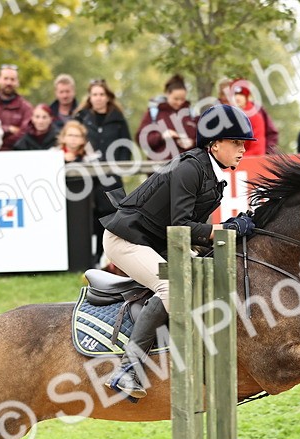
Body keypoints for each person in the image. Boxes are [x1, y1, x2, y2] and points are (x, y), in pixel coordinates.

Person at [99, 104, 256, 398]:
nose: (242, 150)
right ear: (215, 143)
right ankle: (126, 370)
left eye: (243, 144)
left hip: (156, 241)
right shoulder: (189, 168)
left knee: (206, 274)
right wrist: (227, 229)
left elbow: (194, 232)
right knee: (171, 288)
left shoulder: (213, 176)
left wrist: (229, 228)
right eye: (236, 143)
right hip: (126, 239)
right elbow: (180, 227)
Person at [76, 79, 134, 266]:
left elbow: (126, 146)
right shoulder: (81, 118)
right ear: (90, 97)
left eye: (102, 94)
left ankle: (111, 258)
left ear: (108, 97)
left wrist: (119, 165)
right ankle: (91, 258)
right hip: (87, 177)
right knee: (89, 215)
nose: (98, 98)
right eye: (95, 94)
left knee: (111, 216)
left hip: (111, 178)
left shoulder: (118, 120)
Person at [59, 121, 95, 271]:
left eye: (77, 136)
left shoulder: (90, 156)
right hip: (60, 203)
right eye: (70, 135)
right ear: (63, 138)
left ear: (82, 139)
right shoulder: (53, 153)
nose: (73, 139)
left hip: (83, 205)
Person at [139, 74, 197, 162]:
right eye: (176, 99)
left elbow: (204, 140)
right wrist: (161, 136)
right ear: (167, 94)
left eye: (182, 99)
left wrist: (192, 142)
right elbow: (142, 139)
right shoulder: (154, 113)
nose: (179, 102)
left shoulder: (191, 114)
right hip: (159, 169)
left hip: (187, 167)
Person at [0, 64, 33, 151]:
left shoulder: (26, 107)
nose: (9, 83)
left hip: (15, 154)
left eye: (12, 79)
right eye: (5, 78)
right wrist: (8, 129)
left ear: (17, 82)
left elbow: (25, 132)